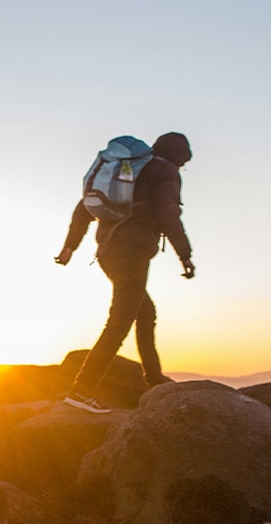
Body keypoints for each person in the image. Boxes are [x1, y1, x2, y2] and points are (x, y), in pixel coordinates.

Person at [54, 132, 195, 413]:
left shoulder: (129, 169)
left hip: (107, 251)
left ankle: (154, 380)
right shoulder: (165, 171)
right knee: (119, 321)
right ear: (178, 158)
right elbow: (167, 211)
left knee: (144, 313)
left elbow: (83, 207)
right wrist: (185, 255)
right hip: (132, 251)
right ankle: (82, 391)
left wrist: (70, 247)